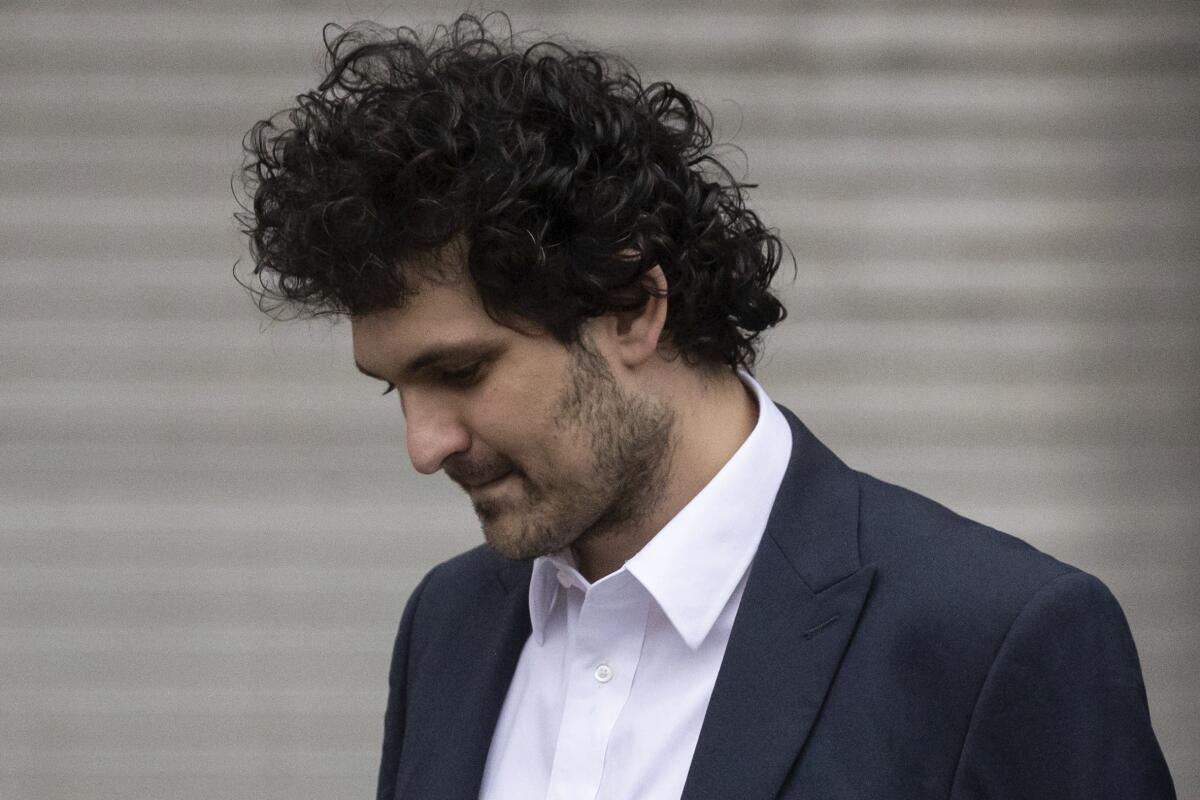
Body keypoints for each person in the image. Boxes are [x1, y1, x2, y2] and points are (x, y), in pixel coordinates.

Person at [236, 14, 1176, 800]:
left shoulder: (996, 640)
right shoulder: (448, 625)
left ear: (633, 309)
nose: (424, 444)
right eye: (396, 390)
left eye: (463, 372)